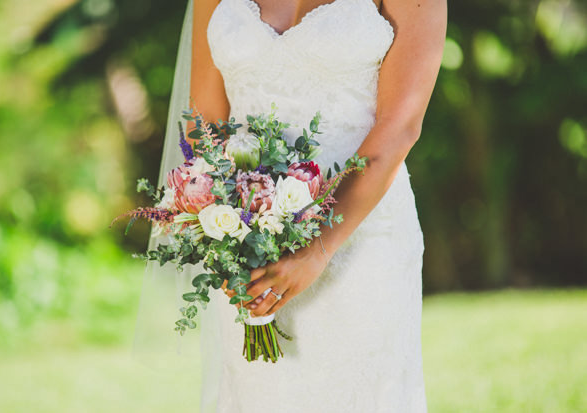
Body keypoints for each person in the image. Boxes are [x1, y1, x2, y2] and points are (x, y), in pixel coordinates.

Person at [153, 0, 446, 411]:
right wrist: (228, 236)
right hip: (247, 244)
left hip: (361, 239)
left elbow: (400, 125)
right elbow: (205, 125)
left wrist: (319, 246)